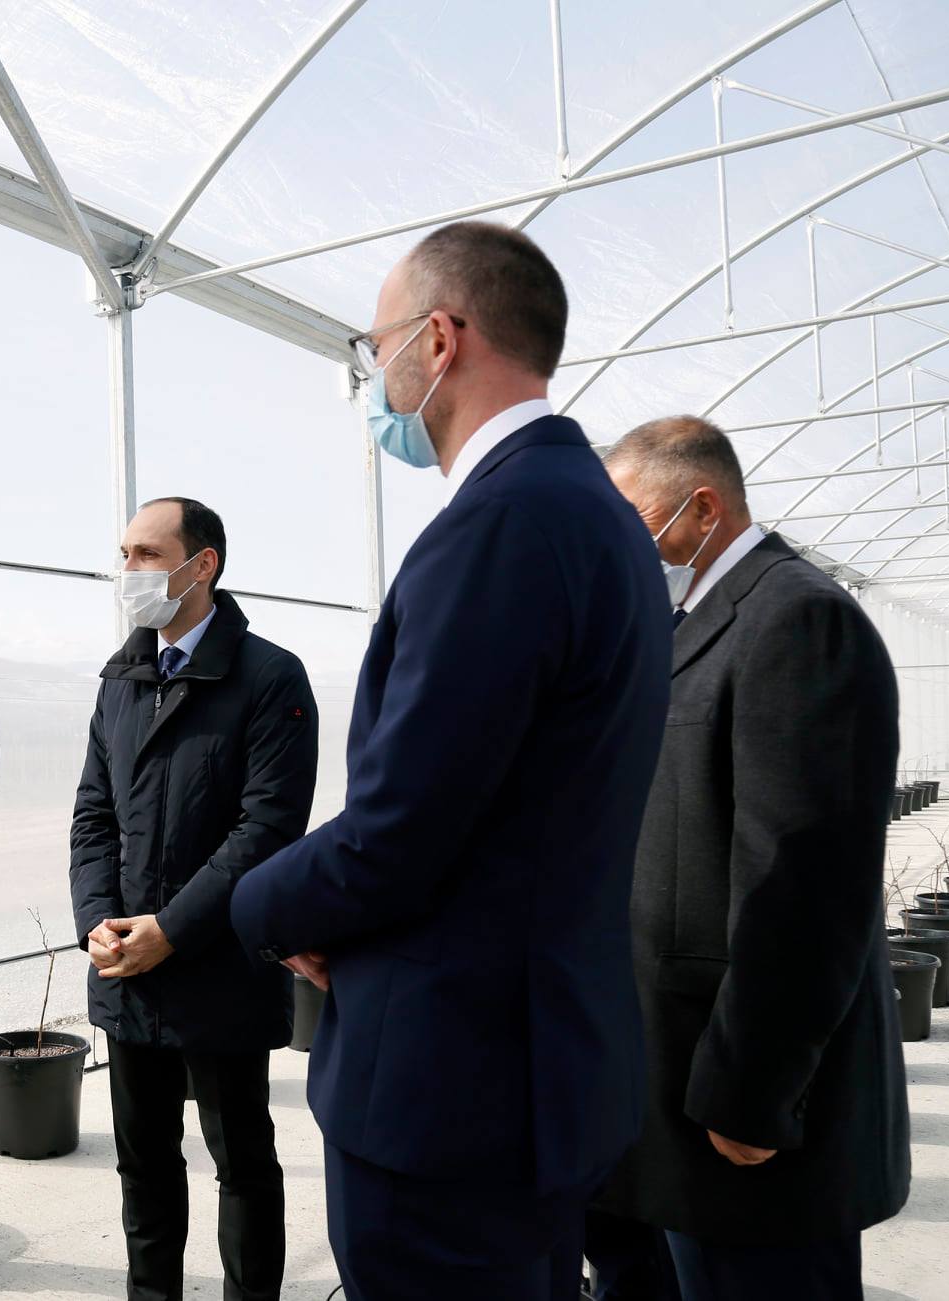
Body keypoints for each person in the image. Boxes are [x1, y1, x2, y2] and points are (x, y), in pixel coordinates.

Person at [229, 221, 672, 1298]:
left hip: (451, 1085)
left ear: (438, 338)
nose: (373, 376)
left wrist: (258, 908)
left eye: (375, 345)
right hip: (539, 1060)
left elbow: (400, 827)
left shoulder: (502, 522)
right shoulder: (599, 518)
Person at [585, 417, 906, 1301]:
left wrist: (753, 1091)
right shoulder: (685, 622)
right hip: (659, 1083)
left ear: (701, 507)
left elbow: (804, 882)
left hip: (733, 1102)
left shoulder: (796, 617)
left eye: (631, 519)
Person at [70, 496, 319, 1301]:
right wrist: (97, 923)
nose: (128, 570)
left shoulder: (267, 676)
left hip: (218, 963)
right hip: (126, 964)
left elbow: (267, 826)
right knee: (142, 1161)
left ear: (200, 564)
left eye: (146, 554)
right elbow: (93, 814)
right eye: (124, 553)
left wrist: (172, 928)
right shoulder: (121, 678)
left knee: (240, 1157)